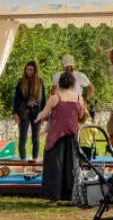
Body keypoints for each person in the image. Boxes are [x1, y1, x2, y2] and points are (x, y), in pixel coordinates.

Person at [36, 71, 86, 206]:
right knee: (72, 167)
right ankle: (72, 197)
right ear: (73, 83)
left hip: (56, 136)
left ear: (60, 84)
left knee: (54, 168)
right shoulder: (78, 98)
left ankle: (53, 199)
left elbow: (44, 115)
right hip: (73, 137)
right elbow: (81, 117)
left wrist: (44, 118)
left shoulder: (55, 98)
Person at [12, 61, 46, 161]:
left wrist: (43, 115)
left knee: (35, 138)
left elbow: (43, 99)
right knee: (22, 138)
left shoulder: (39, 81)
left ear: (34, 70)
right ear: (25, 70)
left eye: (31, 69)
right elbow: (16, 99)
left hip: (36, 111)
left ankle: (34, 160)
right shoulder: (21, 81)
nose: (29, 71)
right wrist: (15, 113)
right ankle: (23, 162)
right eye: (27, 69)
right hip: (23, 111)